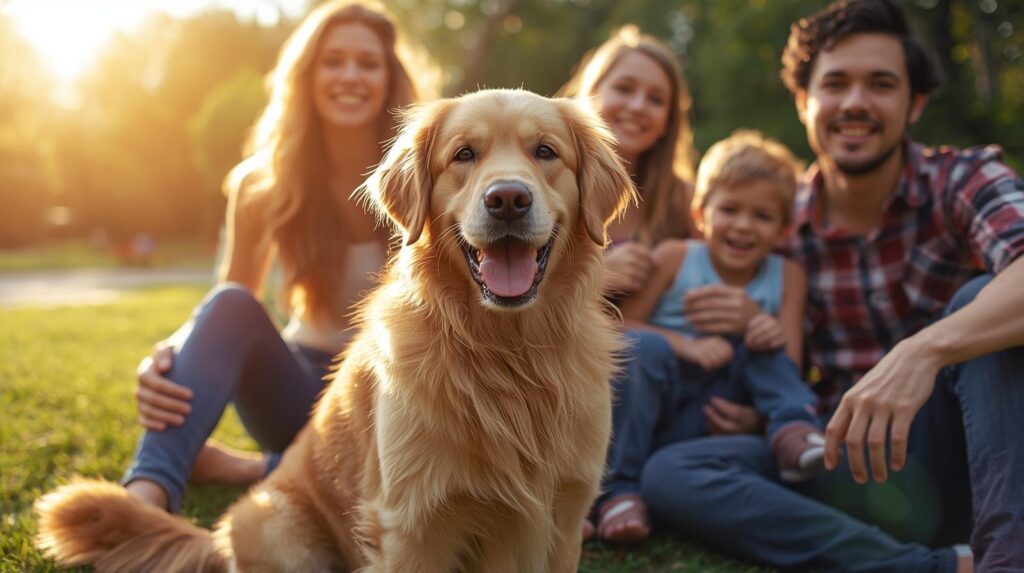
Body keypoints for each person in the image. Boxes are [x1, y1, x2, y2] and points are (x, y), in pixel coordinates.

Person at [640, 1, 1024, 571]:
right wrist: (758, 410)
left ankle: (1004, 560)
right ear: (804, 103)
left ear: (914, 103)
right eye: (835, 83)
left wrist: (924, 350)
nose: (854, 103)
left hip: (953, 447)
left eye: (881, 84)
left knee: (981, 305)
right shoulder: (772, 226)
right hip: (831, 455)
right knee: (673, 473)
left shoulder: (962, 180)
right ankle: (931, 565)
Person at [122, 0, 438, 513]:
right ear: (307, 75)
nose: (349, 76)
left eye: (367, 62)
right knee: (229, 304)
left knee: (403, 481)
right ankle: (143, 501)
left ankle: (251, 469)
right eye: (332, 61)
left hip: (404, 393)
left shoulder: (430, 171)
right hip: (300, 392)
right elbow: (231, 307)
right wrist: (166, 355)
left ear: (390, 78)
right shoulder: (260, 183)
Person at [560, 25, 769, 544]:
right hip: (556, 374)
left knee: (651, 352)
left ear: (668, 123)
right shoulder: (549, 175)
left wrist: (743, 323)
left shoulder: (683, 201)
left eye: (657, 99)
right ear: (591, 91)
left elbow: (731, 279)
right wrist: (591, 280)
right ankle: (576, 492)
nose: (637, 106)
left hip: (647, 391)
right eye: (624, 88)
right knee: (641, 346)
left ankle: (626, 486)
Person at [596, 130, 826, 544]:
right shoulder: (676, 257)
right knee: (644, 347)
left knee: (761, 337)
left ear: (784, 228)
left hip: (719, 416)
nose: (743, 226)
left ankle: (793, 429)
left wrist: (759, 322)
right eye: (730, 209)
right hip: (659, 409)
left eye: (762, 216)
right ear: (702, 214)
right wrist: (686, 344)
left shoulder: (789, 276)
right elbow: (621, 330)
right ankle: (620, 492)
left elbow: (789, 364)